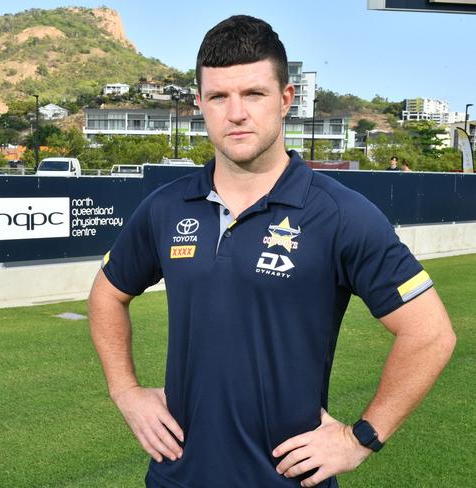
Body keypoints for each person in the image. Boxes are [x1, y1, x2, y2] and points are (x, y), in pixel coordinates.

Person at [88, 15, 455, 488]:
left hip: (286, 480)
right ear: (199, 103)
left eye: (254, 94)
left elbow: (430, 335)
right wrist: (126, 392)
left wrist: (359, 438)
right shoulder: (165, 207)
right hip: (176, 477)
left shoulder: (341, 214)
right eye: (219, 96)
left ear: (286, 99)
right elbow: (106, 294)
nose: (235, 113)